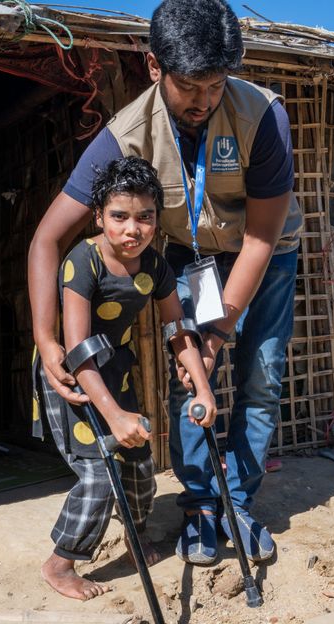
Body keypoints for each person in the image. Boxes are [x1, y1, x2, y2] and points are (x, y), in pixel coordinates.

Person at [28, 0, 299, 566]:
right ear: (154, 67)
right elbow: (46, 240)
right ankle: (201, 506)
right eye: (189, 87)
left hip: (264, 256)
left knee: (263, 378)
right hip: (191, 258)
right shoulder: (124, 135)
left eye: (217, 85)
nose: (204, 102)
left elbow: (260, 239)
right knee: (189, 380)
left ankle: (239, 504)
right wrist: (46, 336)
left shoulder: (265, 117)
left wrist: (219, 330)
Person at [34, 157, 218, 600]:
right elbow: (77, 349)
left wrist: (204, 386)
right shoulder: (83, 261)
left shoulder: (154, 266)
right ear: (98, 217)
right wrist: (113, 415)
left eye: (144, 217)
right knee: (99, 473)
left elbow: (177, 329)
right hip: (75, 379)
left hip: (115, 371)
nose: (132, 229)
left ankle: (135, 538)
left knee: (138, 465)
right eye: (119, 217)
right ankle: (61, 563)